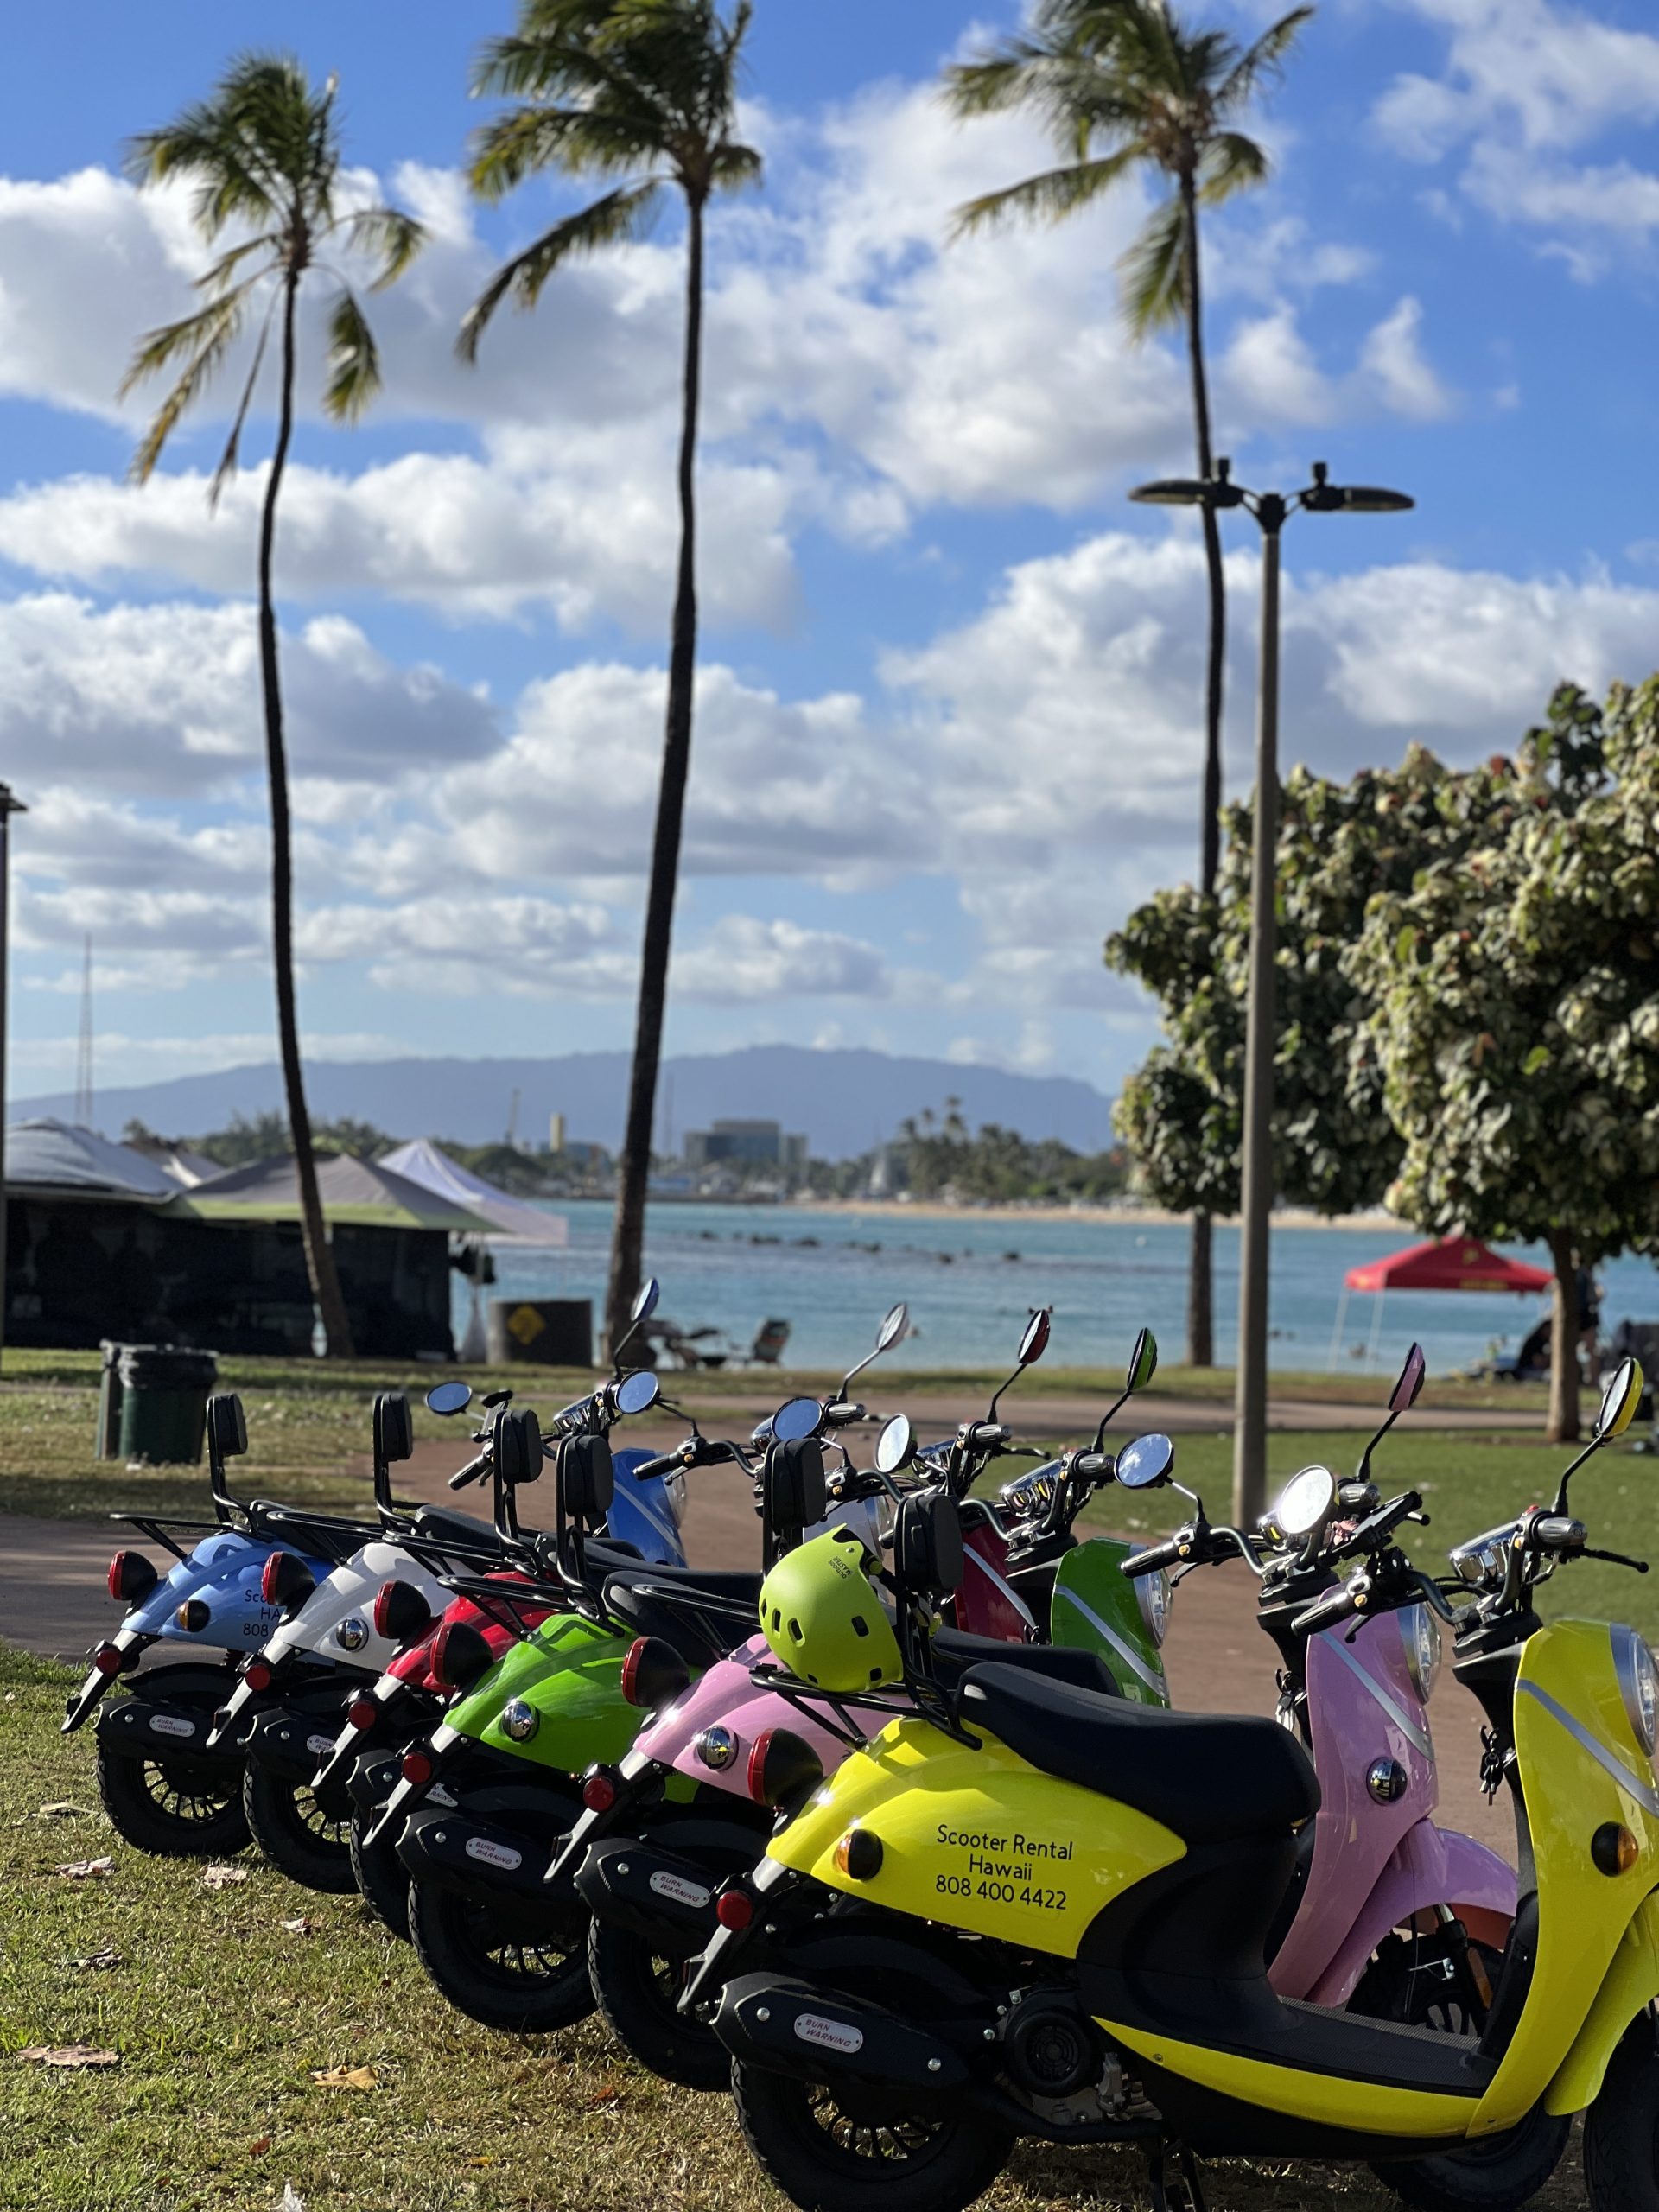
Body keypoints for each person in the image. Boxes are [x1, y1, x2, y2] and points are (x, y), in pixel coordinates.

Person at [1577, 1266, 1605, 1386]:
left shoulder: (1575, 1274)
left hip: (1576, 1316)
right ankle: (1593, 1380)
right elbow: (1599, 1294)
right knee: (1592, 1351)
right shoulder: (1586, 1275)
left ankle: (1589, 1379)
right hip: (1586, 1317)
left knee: (1589, 1351)